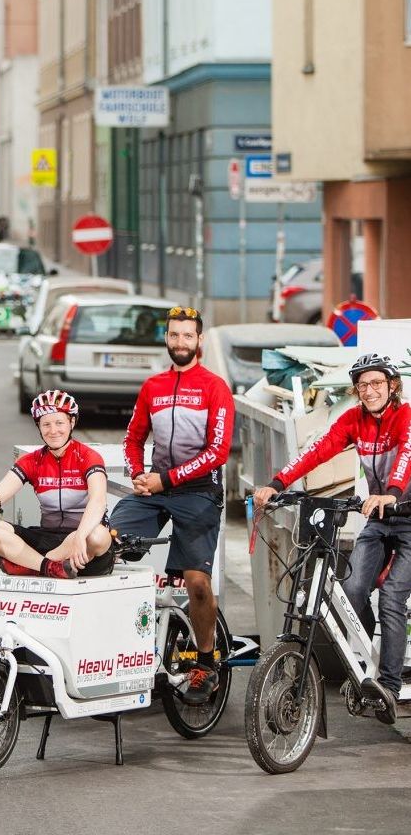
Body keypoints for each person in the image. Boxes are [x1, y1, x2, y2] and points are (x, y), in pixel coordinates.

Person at [253, 353, 411, 724]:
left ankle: (389, 687)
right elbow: (318, 450)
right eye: (362, 385)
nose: (369, 390)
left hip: (407, 518)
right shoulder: (354, 420)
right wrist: (277, 483)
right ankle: (370, 662)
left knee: (391, 597)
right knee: (352, 590)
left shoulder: (406, 417)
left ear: (392, 386)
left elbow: (406, 455)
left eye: (377, 383)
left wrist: (391, 494)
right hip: (378, 519)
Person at [110, 305, 234, 705]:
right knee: (106, 542)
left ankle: (205, 663)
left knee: (196, 582)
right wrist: (137, 473)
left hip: (199, 491)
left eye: (188, 335)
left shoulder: (215, 387)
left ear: (199, 340)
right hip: (156, 489)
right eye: (175, 335)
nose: (181, 342)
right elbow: (133, 438)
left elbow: (218, 452)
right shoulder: (153, 386)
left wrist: (166, 478)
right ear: (166, 338)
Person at [0, 390, 113, 580]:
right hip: (47, 538)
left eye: (59, 423)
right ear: (39, 427)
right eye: (46, 424)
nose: (53, 431)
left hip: (82, 547)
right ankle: (49, 567)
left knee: (99, 535)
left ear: (72, 422)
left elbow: (98, 501)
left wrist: (79, 537)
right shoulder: (32, 461)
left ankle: (31, 565)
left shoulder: (88, 457)